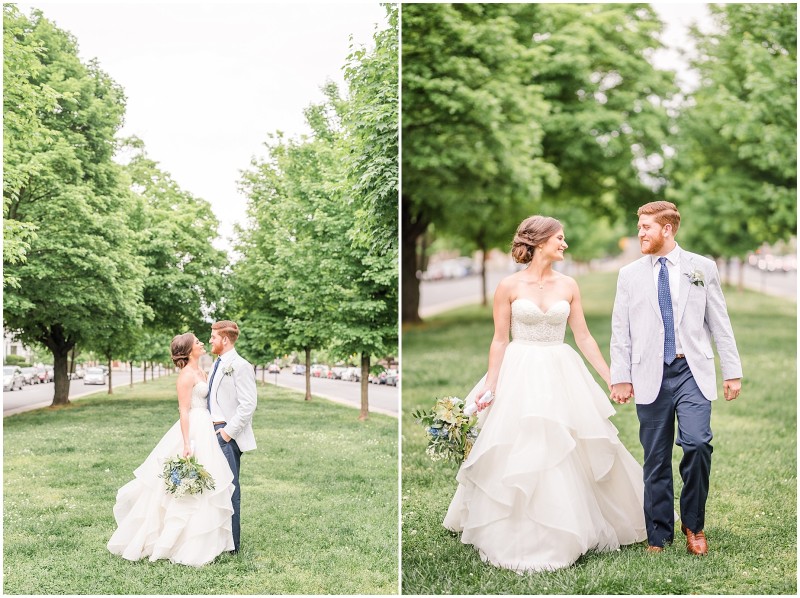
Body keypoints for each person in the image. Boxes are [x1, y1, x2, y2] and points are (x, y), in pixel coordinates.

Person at [444, 215, 647, 573]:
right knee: (516, 445)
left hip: (559, 370)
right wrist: (491, 384)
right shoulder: (508, 286)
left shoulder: (569, 285)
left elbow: (583, 337)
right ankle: (513, 526)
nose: (565, 244)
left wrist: (612, 378)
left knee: (565, 445)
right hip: (518, 369)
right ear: (539, 242)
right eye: (560, 238)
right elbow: (499, 339)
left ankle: (568, 524)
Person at [610, 201, 742, 556]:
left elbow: (719, 322)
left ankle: (694, 525)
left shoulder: (702, 267)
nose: (640, 233)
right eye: (639, 227)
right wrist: (620, 376)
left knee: (697, 444)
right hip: (649, 372)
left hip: (691, 371)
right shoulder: (629, 275)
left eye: (646, 228)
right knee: (655, 457)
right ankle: (658, 534)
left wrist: (732, 371)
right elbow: (620, 331)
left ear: (667, 229)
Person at [107, 333, 235, 566]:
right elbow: (183, 410)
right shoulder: (186, 376)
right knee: (187, 484)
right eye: (197, 342)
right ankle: (173, 540)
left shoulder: (202, 371)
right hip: (193, 429)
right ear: (188, 350)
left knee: (207, 481)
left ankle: (205, 538)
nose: (202, 343)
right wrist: (187, 443)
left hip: (205, 426)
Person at [207, 320, 257, 554]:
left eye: (213, 337)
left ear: (225, 339)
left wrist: (227, 433)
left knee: (230, 489)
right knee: (214, 489)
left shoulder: (241, 366)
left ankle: (232, 546)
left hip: (227, 436)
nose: (210, 341)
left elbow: (248, 405)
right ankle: (216, 538)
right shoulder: (216, 364)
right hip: (211, 433)